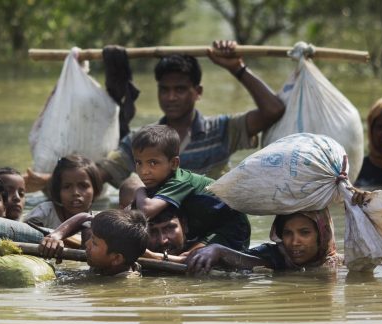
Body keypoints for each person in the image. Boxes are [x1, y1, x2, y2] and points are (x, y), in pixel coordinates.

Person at [24, 39, 285, 193]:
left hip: (205, 220)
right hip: (162, 229)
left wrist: (237, 68)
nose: (171, 97)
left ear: (198, 93)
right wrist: (53, 181)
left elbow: (273, 110)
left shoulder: (222, 129)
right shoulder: (141, 140)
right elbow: (101, 173)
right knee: (130, 187)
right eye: (165, 90)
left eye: (180, 90)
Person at [186, 206, 382, 274]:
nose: (294, 242)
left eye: (305, 233)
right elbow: (248, 262)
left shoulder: (342, 263)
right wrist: (218, 250)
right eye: (288, 233)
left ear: (322, 235)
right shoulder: (276, 256)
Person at [131, 124, 251, 252]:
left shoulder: (180, 181)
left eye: (153, 163)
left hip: (232, 228)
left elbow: (146, 210)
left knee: (194, 257)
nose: (144, 171)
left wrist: (139, 190)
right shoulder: (160, 181)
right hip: (207, 223)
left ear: (174, 163)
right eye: (139, 163)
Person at [38, 209, 149, 277]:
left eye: (94, 243)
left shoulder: (123, 285)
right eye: (91, 237)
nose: (87, 244)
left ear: (116, 259)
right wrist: (56, 236)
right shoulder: (106, 263)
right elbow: (85, 217)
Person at [23, 155, 102, 229]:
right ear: (58, 191)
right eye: (67, 187)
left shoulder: (99, 222)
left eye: (83, 186)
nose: (75, 192)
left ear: (95, 189)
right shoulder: (45, 213)